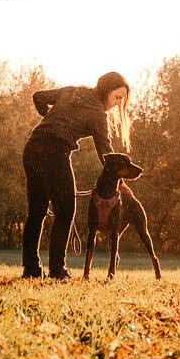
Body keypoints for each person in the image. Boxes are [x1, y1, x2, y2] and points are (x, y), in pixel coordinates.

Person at [21, 71, 129, 279]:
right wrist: (120, 181)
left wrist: (52, 120)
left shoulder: (72, 91)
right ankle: (57, 270)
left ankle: (31, 269)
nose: (117, 104)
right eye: (117, 97)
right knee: (65, 211)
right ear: (107, 90)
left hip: (33, 147)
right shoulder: (97, 113)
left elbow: (38, 97)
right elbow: (105, 151)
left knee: (36, 212)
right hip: (55, 151)